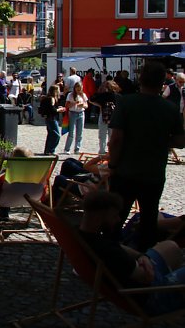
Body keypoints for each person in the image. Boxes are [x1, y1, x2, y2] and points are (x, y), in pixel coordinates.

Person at [108, 61, 185, 252]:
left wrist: (112, 165)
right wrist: (159, 141)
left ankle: (107, 255)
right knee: (149, 219)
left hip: (125, 171)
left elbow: (116, 139)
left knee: (114, 217)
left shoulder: (126, 103)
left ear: (140, 79)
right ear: (163, 83)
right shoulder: (170, 109)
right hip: (153, 173)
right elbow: (180, 141)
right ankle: (144, 258)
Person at [78, 190, 185, 316]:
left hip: (138, 277)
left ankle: (173, 282)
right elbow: (146, 277)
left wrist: (142, 256)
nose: (118, 220)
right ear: (98, 217)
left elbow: (118, 246)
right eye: (114, 216)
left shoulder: (83, 235)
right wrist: (144, 263)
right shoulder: (111, 253)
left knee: (170, 246)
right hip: (150, 295)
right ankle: (173, 290)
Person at [90, 80, 121, 155]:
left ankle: (102, 151)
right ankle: (111, 151)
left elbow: (91, 99)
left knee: (102, 135)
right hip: (114, 117)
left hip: (103, 115)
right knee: (112, 135)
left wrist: (99, 105)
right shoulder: (117, 96)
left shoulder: (102, 95)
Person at [63, 82, 89, 154]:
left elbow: (86, 105)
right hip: (72, 113)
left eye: (80, 88)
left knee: (80, 132)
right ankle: (67, 149)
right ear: (75, 88)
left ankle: (77, 149)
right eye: (77, 88)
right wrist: (74, 103)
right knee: (71, 132)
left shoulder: (83, 95)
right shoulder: (70, 95)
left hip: (81, 113)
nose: (78, 89)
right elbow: (67, 105)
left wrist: (83, 105)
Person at [39, 85, 65, 155]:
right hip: (52, 119)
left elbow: (51, 107)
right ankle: (51, 150)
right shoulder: (52, 98)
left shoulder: (47, 98)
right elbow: (52, 110)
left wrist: (57, 107)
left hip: (48, 118)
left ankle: (47, 150)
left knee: (50, 135)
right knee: (56, 135)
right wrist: (60, 109)